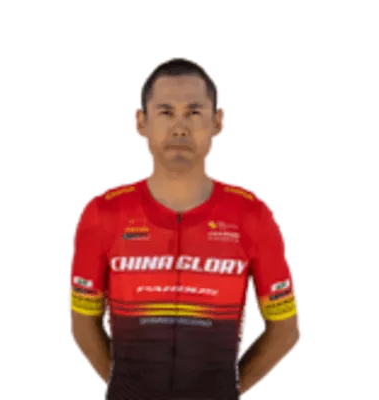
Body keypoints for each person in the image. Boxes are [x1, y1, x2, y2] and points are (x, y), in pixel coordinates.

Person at [68, 56, 302, 400]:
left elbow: (285, 328)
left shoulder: (252, 214)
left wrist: (231, 390)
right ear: (140, 121)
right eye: (166, 112)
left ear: (218, 122)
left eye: (193, 113)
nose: (180, 128)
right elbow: (82, 320)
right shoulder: (103, 213)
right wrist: (125, 388)